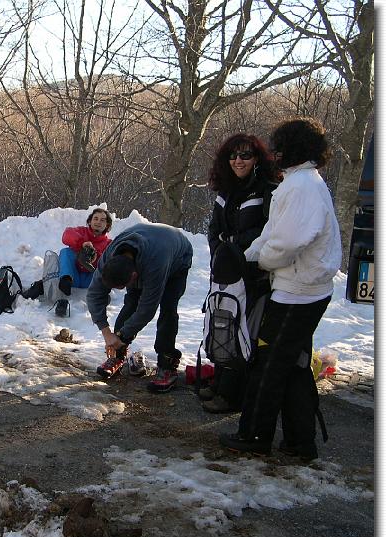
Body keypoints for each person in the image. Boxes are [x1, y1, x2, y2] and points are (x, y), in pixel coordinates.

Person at [219, 118, 341, 462]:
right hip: (303, 287)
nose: (273, 154)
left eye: (279, 147)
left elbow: (287, 242)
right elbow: (274, 232)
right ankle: (300, 442)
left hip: (298, 291)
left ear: (291, 150)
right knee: (295, 365)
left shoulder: (301, 186)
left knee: (270, 364)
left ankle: (255, 435)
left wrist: (262, 262)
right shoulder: (302, 182)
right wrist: (249, 255)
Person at [200, 133, 279, 413]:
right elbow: (213, 230)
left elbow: (269, 230)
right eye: (233, 155)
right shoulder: (226, 190)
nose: (238, 160)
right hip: (225, 271)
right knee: (223, 322)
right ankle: (221, 380)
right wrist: (220, 253)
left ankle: (232, 393)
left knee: (244, 329)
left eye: (245, 155)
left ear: (257, 158)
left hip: (253, 274)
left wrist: (234, 244)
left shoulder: (267, 190)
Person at [86, 222, 193, 391]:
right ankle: (118, 354)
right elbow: (93, 295)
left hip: (175, 257)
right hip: (147, 247)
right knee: (130, 303)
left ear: (134, 275)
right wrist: (107, 333)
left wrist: (121, 336)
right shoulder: (109, 257)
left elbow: (147, 309)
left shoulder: (156, 263)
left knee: (168, 308)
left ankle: (167, 365)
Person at [22, 208, 113, 316]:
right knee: (66, 252)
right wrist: (82, 243)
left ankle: (101, 294)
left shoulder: (109, 243)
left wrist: (96, 256)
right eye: (96, 218)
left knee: (107, 266)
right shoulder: (81, 231)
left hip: (90, 279)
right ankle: (61, 280)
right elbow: (66, 235)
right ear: (90, 221)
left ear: (107, 225)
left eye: (102, 220)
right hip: (72, 276)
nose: (98, 222)